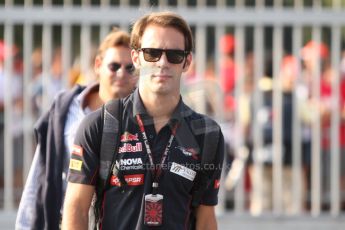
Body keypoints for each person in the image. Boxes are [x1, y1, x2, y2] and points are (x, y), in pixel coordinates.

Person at [62, 11, 224, 230]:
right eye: (152, 53)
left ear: (187, 62)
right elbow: (76, 208)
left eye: (174, 55)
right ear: (136, 58)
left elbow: (205, 220)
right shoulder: (100, 125)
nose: (162, 63)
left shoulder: (206, 134)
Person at [15, 28, 138, 230]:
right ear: (98, 65)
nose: (121, 73)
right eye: (114, 66)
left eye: (129, 68)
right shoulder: (66, 108)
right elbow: (40, 170)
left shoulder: (142, 117)